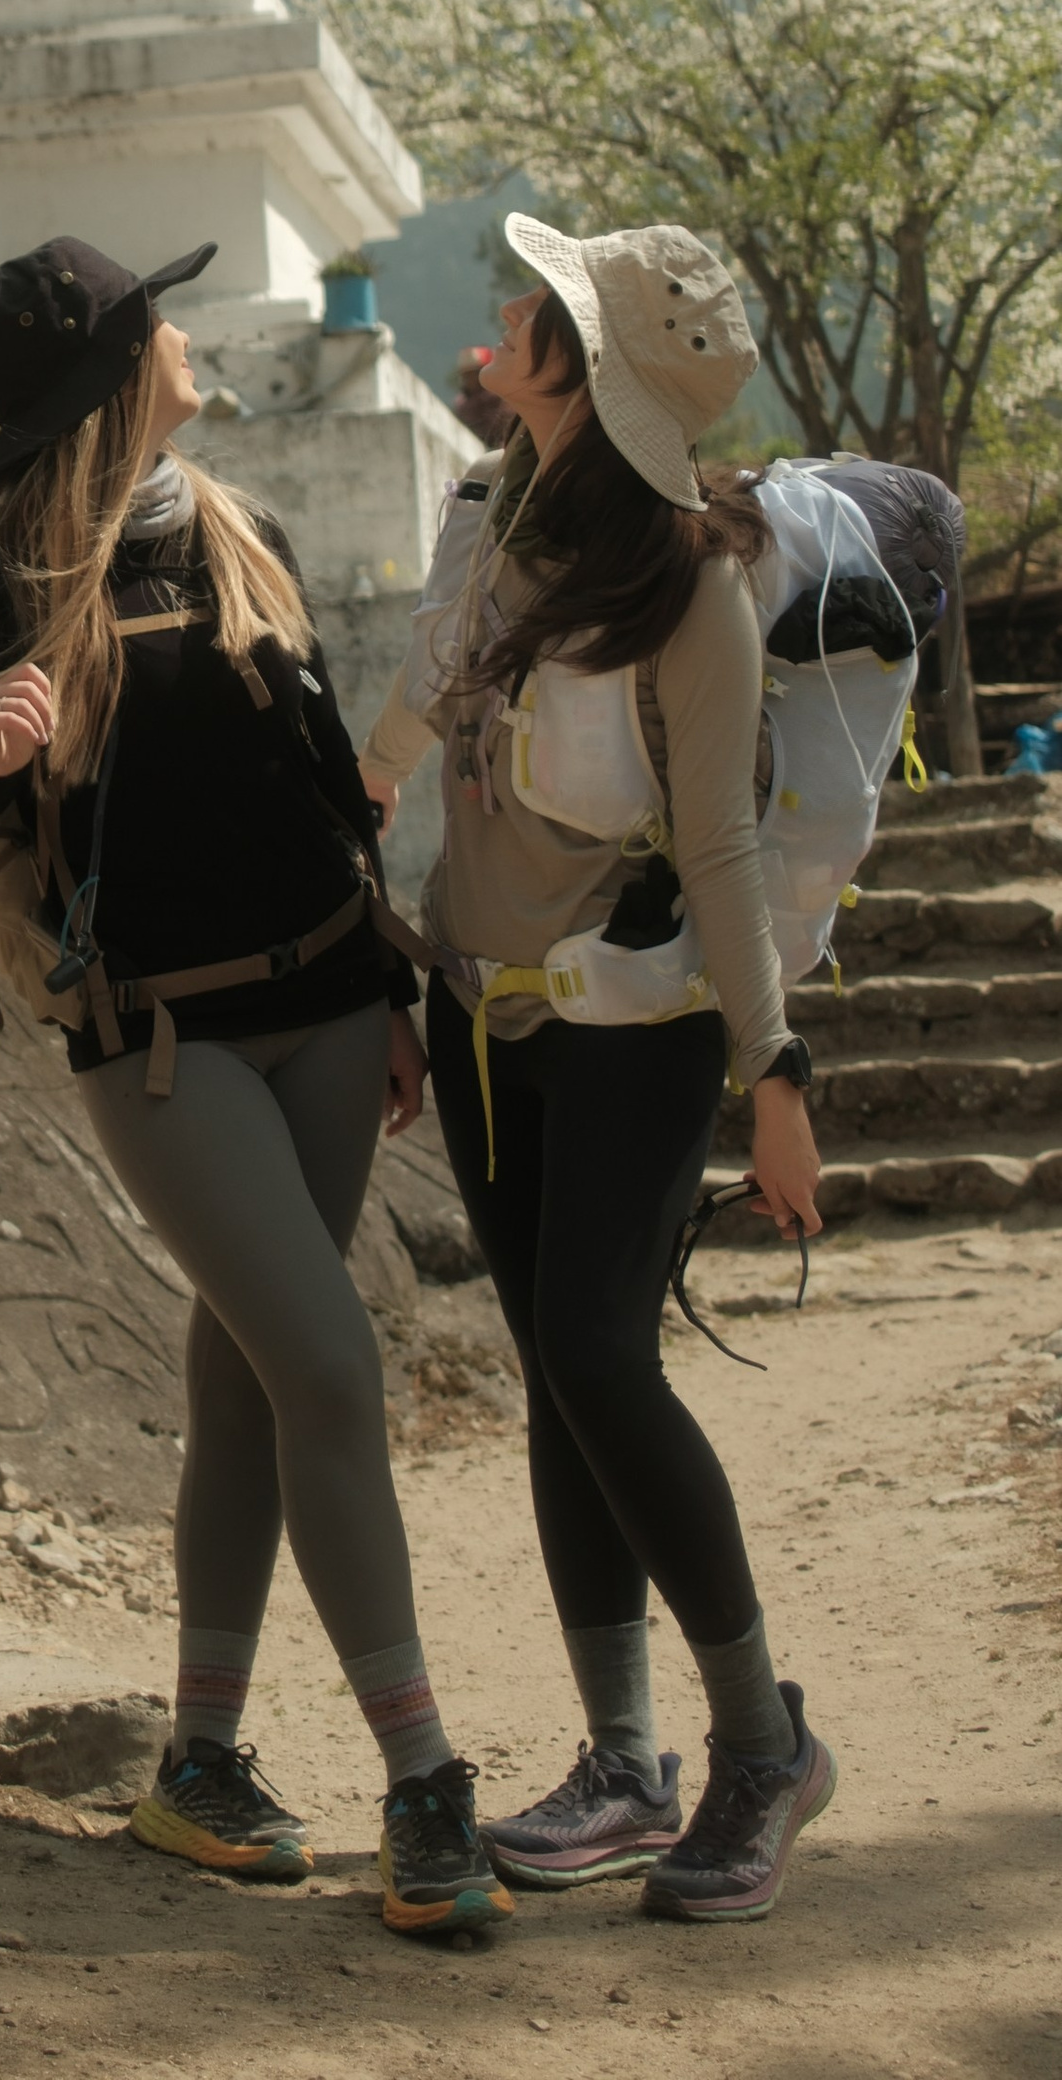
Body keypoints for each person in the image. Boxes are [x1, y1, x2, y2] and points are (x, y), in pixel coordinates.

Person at [0, 232, 511, 1942]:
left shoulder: (231, 523)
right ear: (111, 370)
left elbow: (319, 782)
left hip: (324, 1007)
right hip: (166, 1042)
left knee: (249, 1382)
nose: (183, 335)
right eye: (157, 321)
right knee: (329, 1361)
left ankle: (199, 1762)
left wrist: (383, 987)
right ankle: (424, 1783)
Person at [361, 211, 834, 1925]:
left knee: (592, 1354)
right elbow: (418, 710)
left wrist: (776, 1072)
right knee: (561, 1375)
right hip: (487, 1022)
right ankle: (624, 1763)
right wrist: (356, 822)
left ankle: (760, 1744)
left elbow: (716, 848)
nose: (505, 317)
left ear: (581, 369)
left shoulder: (693, 591)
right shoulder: (496, 521)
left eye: (540, 306)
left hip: (637, 1028)